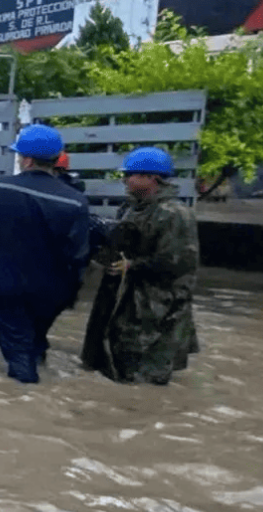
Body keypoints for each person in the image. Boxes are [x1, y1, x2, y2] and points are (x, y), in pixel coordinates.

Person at [0, 125, 89, 384]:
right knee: (36, 339)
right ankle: (38, 365)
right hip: (53, 292)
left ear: (27, 159)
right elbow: (79, 255)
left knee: (18, 354)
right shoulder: (76, 200)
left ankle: (27, 402)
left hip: (7, 286)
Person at [80, 147, 200, 385]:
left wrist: (131, 266)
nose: (125, 180)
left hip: (158, 308)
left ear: (151, 178)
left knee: (147, 374)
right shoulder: (131, 208)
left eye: (130, 175)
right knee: (114, 361)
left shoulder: (174, 214)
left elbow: (179, 261)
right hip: (125, 301)